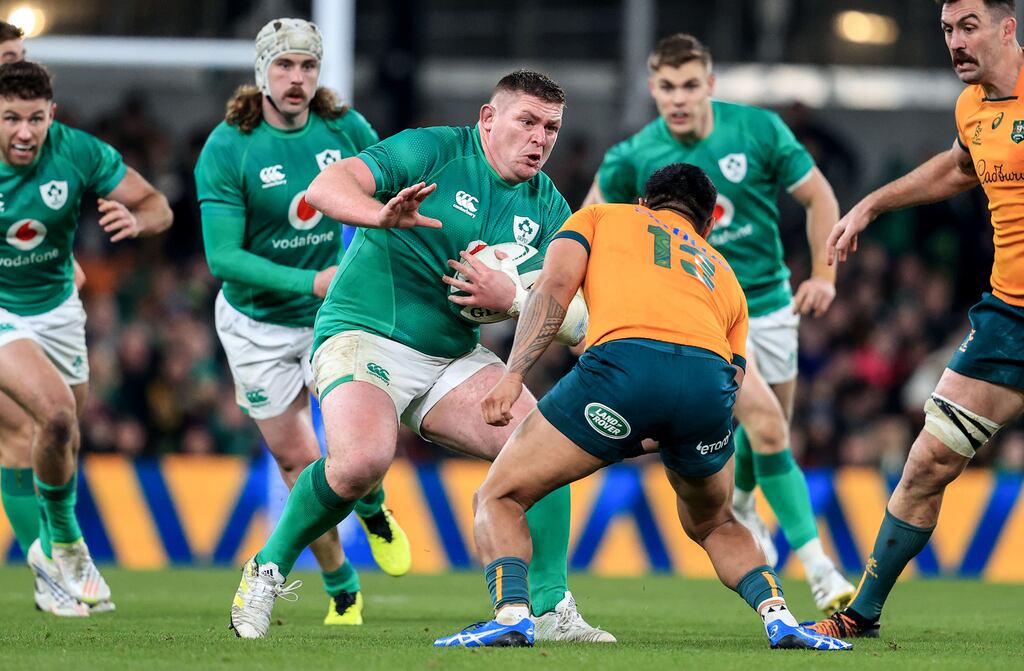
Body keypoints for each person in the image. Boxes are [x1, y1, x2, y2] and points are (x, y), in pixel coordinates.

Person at [227, 69, 612, 644]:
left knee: (546, 448)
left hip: (452, 358)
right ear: (488, 118)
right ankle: (265, 571)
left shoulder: (550, 207)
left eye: (551, 128)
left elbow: (578, 317)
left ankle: (552, 607)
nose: (540, 139)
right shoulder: (432, 149)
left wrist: (516, 299)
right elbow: (326, 186)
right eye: (526, 122)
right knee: (361, 464)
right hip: (363, 333)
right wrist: (378, 214)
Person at [434, 163, 851, 651]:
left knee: (499, 496)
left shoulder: (600, 218)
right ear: (708, 223)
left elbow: (552, 289)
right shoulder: (723, 271)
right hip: (706, 385)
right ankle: (780, 617)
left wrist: (513, 375)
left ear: (641, 203)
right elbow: (733, 378)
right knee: (716, 521)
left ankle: (511, 615)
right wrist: (672, 426)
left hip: (622, 368)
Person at [583, 33, 854, 613]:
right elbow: (587, 226)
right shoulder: (631, 156)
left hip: (770, 303)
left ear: (709, 85)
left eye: (689, 86)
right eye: (666, 87)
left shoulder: (758, 131)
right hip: (698, 314)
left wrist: (824, 277)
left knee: (773, 428)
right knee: (771, 428)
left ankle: (750, 499)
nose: (677, 99)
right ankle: (821, 568)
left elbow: (820, 199)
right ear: (652, 88)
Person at [809, 0, 1024, 638]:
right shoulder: (973, 109)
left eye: (969, 27)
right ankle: (861, 614)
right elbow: (960, 166)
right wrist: (873, 204)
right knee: (927, 459)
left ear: (1007, 28)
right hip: (1008, 314)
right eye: (947, 31)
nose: (955, 42)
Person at [195, 18, 411, 629]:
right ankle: (342, 586)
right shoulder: (227, 146)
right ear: (261, 72)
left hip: (333, 317)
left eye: (307, 66)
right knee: (297, 461)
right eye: (284, 66)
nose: (296, 79)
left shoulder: (344, 128)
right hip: (255, 324)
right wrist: (309, 279)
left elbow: (387, 187)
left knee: (353, 446)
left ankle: (372, 506)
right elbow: (223, 258)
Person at [0, 60, 172, 616]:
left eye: (34, 118)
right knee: (51, 415)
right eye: (8, 119)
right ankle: (67, 545)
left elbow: (157, 206)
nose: (23, 132)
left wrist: (137, 221)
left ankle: (51, 561)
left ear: (52, 115)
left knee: (63, 436)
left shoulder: (78, 151)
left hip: (58, 309)